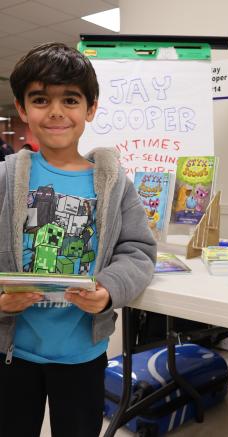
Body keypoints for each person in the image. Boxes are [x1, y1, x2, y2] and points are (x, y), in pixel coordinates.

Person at [0, 42, 157, 437]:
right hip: (11, 351)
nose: (55, 111)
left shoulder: (113, 183)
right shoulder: (4, 178)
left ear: (90, 109)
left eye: (70, 99)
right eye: (40, 99)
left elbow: (137, 250)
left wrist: (108, 289)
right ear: (22, 108)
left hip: (83, 354)